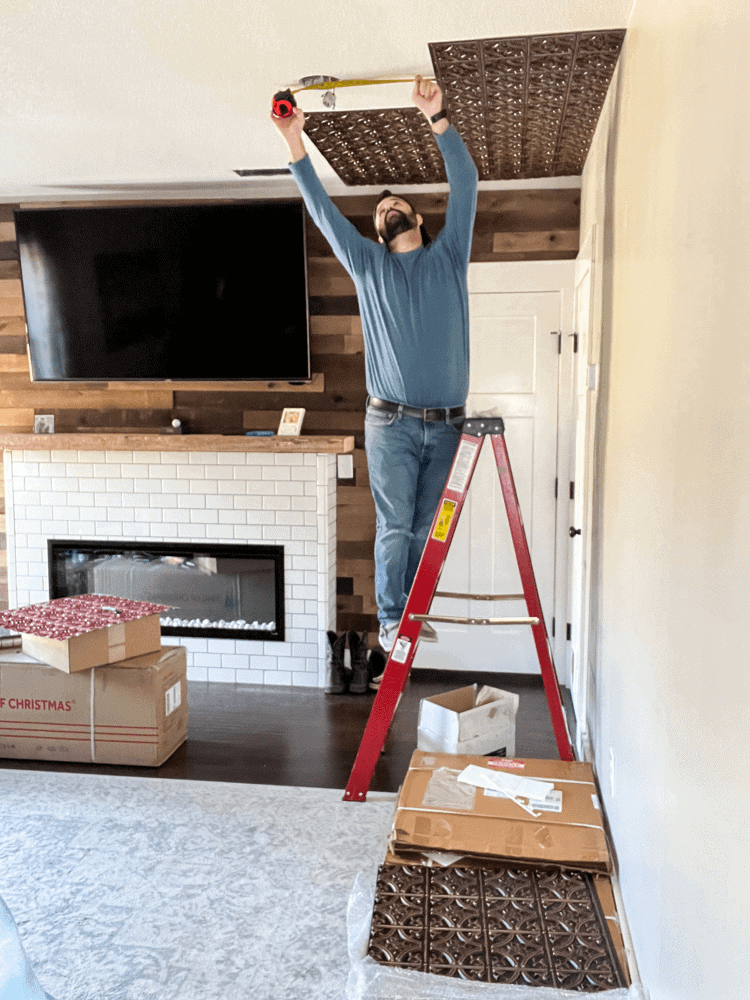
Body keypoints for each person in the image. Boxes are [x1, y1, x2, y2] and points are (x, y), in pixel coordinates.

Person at [271, 76, 478, 658]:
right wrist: (295, 142)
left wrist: (437, 118)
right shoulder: (367, 266)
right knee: (395, 527)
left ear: (417, 220)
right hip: (391, 424)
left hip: (449, 423)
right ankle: (392, 620)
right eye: (378, 209)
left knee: (427, 527)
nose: (384, 208)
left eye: (394, 205)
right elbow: (321, 211)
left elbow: (465, 182)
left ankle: (414, 611)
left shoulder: (449, 258)